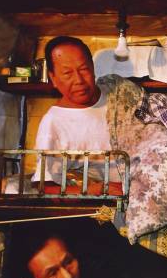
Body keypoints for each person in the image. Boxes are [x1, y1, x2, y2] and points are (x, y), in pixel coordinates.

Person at [31, 36, 120, 185]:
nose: (78, 80)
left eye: (83, 69)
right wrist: (96, 191)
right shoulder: (53, 122)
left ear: (93, 68)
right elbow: (45, 184)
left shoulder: (118, 96)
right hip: (101, 202)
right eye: (67, 73)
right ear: (53, 78)